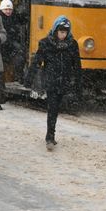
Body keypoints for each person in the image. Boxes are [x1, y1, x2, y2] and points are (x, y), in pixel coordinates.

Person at [25, 15, 81, 151]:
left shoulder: (72, 45)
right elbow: (37, 61)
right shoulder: (45, 43)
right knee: (52, 108)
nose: (62, 35)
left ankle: (51, 134)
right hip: (51, 81)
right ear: (55, 30)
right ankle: (50, 136)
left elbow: (77, 65)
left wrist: (78, 83)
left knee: (56, 108)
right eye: (61, 31)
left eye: (65, 32)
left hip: (64, 81)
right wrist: (29, 79)